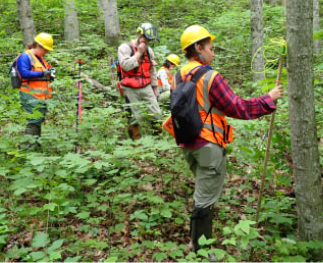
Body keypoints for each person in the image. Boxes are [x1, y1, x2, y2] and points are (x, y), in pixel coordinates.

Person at [163, 25, 284, 253]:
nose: (213, 53)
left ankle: (196, 243)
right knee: (204, 201)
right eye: (210, 48)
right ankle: (201, 251)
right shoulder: (210, 77)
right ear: (198, 48)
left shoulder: (177, 76)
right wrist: (268, 99)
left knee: (202, 194)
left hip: (187, 143)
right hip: (208, 146)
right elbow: (237, 108)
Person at [118, 22, 161, 140]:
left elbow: (152, 70)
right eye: (145, 38)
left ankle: (158, 141)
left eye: (149, 40)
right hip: (129, 87)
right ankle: (136, 145)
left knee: (157, 114)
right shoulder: (125, 48)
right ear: (139, 34)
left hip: (146, 86)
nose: (147, 42)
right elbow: (125, 66)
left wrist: (155, 88)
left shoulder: (149, 51)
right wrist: (139, 53)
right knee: (133, 118)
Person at [16, 33, 54, 145]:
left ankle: (35, 144)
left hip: (41, 95)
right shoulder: (25, 57)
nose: (46, 52)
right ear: (38, 46)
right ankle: (27, 147)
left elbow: (46, 73)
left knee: (38, 120)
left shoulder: (41, 59)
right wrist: (42, 73)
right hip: (30, 94)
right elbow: (24, 73)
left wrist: (51, 73)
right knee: (34, 120)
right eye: (45, 50)